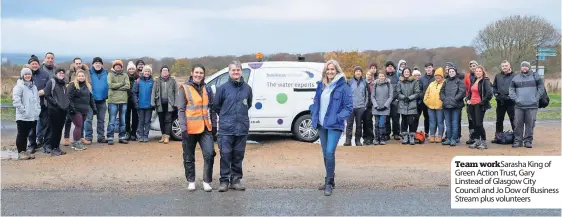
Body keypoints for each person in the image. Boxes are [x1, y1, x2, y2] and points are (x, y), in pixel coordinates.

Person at [311, 59, 353, 196]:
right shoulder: (321, 85)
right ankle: (330, 179)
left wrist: (337, 118)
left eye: (332, 69)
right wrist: (313, 113)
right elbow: (316, 102)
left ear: (337, 71)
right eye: (328, 69)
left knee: (329, 152)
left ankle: (328, 182)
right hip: (322, 124)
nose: (330, 72)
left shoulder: (344, 87)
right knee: (325, 153)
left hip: (334, 125)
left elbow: (349, 108)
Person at [213, 61, 253, 192]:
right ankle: (224, 181)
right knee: (225, 155)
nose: (236, 72)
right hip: (226, 128)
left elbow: (249, 104)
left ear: (241, 71)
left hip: (242, 127)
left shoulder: (247, 88)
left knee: (238, 155)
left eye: (238, 70)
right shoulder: (222, 88)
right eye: (233, 70)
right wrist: (226, 117)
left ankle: (236, 180)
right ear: (229, 72)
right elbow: (216, 106)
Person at [177, 64, 217, 192]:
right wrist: (183, 128)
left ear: (204, 75)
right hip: (189, 128)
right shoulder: (184, 88)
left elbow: (212, 109)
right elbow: (181, 110)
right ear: (192, 73)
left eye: (201, 73)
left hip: (205, 128)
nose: (198, 75)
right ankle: (191, 181)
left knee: (210, 154)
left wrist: (214, 125)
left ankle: (207, 181)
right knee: (189, 156)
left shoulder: (208, 89)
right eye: (196, 72)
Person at [508, 61, 545, 148]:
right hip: (519, 106)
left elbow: (541, 88)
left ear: (529, 67)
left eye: (526, 66)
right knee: (517, 124)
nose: (524, 67)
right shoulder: (516, 78)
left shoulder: (535, 76)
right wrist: (516, 99)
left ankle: (528, 141)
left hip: (532, 105)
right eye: (523, 66)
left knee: (530, 124)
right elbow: (511, 89)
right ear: (521, 67)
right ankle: (518, 141)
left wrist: (536, 98)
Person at [13, 68, 41, 160]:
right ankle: (21, 152)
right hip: (23, 116)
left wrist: (37, 110)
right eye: (25, 74)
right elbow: (16, 101)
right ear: (22, 76)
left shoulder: (34, 87)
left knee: (27, 134)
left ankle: (25, 151)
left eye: (29, 74)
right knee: (22, 134)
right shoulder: (19, 86)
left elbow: (37, 99)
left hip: (32, 115)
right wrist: (23, 111)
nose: (28, 76)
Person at [68, 69, 97, 151]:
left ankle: (76, 142)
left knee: (80, 126)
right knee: (78, 125)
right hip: (75, 109)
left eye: (82, 76)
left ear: (85, 77)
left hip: (85, 109)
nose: (81, 77)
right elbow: (69, 97)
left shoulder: (88, 86)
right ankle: (76, 142)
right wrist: (71, 108)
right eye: (79, 76)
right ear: (76, 77)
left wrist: (94, 108)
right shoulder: (72, 85)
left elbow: (91, 98)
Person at [63, 58, 90, 146]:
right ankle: (66, 138)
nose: (78, 65)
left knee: (80, 122)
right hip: (71, 100)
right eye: (76, 63)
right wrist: (73, 86)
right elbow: (65, 83)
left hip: (82, 100)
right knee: (68, 120)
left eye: (79, 63)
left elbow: (88, 82)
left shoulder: (86, 71)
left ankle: (81, 137)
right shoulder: (69, 72)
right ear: (74, 64)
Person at [43, 68, 70, 156]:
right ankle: (52, 148)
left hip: (63, 110)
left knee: (59, 130)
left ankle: (57, 147)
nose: (61, 74)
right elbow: (46, 94)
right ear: (56, 73)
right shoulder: (52, 81)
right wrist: (55, 102)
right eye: (60, 72)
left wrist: (66, 105)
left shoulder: (63, 84)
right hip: (54, 110)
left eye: (63, 73)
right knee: (53, 130)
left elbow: (65, 96)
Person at [28, 55, 51, 153]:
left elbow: (49, 87)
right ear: (29, 65)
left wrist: (43, 91)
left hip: (43, 103)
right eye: (32, 64)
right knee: (32, 126)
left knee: (44, 125)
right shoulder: (27, 74)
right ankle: (32, 145)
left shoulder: (45, 74)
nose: (34, 65)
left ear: (39, 64)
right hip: (31, 105)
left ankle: (45, 145)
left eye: (36, 64)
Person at [466, 65, 493, 149]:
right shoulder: (474, 80)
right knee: (474, 124)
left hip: (479, 105)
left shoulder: (486, 81)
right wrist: (467, 99)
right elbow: (470, 93)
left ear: (483, 72)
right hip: (472, 105)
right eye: (476, 71)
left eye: (479, 71)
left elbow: (489, 93)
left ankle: (483, 142)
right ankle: (477, 141)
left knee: (479, 124)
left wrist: (482, 102)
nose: (477, 72)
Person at [85, 57, 109, 144]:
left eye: (99, 63)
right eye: (96, 63)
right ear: (93, 64)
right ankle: (88, 137)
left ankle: (101, 137)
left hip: (102, 100)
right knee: (88, 120)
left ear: (102, 64)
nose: (98, 64)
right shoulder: (88, 73)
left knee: (101, 120)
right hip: (90, 100)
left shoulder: (106, 73)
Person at [440, 67, 466, 146]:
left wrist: (454, 99)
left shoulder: (460, 81)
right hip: (446, 105)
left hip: (456, 106)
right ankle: (448, 138)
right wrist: (444, 99)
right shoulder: (446, 81)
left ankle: (454, 139)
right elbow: (441, 91)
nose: (451, 72)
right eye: (450, 71)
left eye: (452, 71)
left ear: (455, 72)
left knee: (454, 122)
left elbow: (462, 92)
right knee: (447, 123)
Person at [107, 59, 130, 145]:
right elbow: (110, 85)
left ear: (121, 67)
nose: (118, 67)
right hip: (112, 101)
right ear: (114, 67)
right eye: (116, 65)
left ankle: (122, 137)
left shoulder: (125, 75)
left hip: (123, 101)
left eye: (119, 66)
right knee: (112, 120)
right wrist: (121, 84)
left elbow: (127, 86)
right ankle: (110, 137)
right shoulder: (110, 74)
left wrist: (116, 87)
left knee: (123, 120)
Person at [492, 60, 516, 143]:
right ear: (501, 67)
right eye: (503, 66)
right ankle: (498, 137)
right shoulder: (498, 76)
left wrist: (512, 96)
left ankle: (517, 138)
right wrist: (495, 94)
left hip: (511, 102)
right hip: (500, 101)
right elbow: (494, 86)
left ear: (509, 66)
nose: (504, 67)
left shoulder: (515, 76)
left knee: (513, 120)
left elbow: (517, 88)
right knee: (499, 120)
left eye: (506, 66)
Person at [152, 65, 177, 144]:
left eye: (166, 70)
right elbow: (153, 91)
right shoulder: (157, 81)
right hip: (160, 103)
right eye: (163, 70)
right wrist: (152, 102)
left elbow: (176, 92)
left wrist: (176, 103)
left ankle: (167, 137)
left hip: (170, 104)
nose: (165, 72)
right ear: (161, 72)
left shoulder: (173, 81)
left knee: (168, 120)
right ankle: (163, 136)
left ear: (168, 72)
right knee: (161, 120)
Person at [344, 66, 367, 146]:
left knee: (359, 125)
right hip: (350, 107)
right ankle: (348, 140)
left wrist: (365, 105)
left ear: (361, 73)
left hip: (360, 107)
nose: (358, 72)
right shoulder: (349, 82)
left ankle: (358, 140)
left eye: (359, 71)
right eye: (356, 71)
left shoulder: (364, 82)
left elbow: (367, 94)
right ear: (354, 73)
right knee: (349, 124)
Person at [396, 68, 421, 145]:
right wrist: (403, 97)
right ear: (403, 73)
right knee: (404, 121)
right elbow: (398, 92)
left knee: (411, 121)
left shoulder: (415, 81)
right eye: (405, 72)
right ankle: (405, 136)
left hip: (411, 103)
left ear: (410, 73)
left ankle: (412, 136)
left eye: (408, 72)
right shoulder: (400, 82)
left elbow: (417, 92)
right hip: (402, 103)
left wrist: (410, 98)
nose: (406, 73)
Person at [133, 65, 155, 143]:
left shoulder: (153, 82)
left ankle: (146, 136)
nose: (147, 73)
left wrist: (153, 104)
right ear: (143, 72)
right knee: (141, 121)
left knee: (147, 122)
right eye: (146, 71)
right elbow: (134, 93)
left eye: (148, 71)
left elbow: (154, 93)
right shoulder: (138, 81)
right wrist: (136, 103)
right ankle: (141, 136)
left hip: (149, 105)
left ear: (150, 72)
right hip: (140, 105)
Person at [371, 72, 393, 145]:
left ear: (385, 77)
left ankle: (382, 138)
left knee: (382, 124)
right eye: (380, 76)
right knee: (376, 123)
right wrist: (376, 105)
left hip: (385, 108)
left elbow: (391, 96)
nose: (381, 77)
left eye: (383, 76)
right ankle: (376, 138)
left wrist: (385, 105)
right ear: (378, 77)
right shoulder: (375, 84)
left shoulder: (389, 85)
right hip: (376, 108)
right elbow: (372, 96)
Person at [423, 68, 444, 143]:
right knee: (432, 122)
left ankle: (440, 136)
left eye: (439, 75)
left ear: (442, 76)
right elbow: (426, 94)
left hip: (440, 107)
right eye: (436, 75)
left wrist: (442, 103)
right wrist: (427, 102)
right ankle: (432, 135)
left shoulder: (444, 83)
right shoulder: (431, 84)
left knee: (440, 122)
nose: (437, 77)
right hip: (430, 107)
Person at [384, 61, 401, 140]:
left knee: (396, 118)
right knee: (386, 118)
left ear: (394, 68)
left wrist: (396, 98)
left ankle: (396, 133)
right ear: (386, 68)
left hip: (395, 100)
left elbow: (399, 89)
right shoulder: (383, 77)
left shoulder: (397, 76)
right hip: (386, 101)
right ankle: (387, 133)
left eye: (391, 66)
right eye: (388, 66)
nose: (390, 67)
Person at [463, 60, 478, 145]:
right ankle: (471, 136)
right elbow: (465, 87)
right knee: (470, 119)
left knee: (477, 120)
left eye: (474, 66)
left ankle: (478, 136)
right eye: (471, 66)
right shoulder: (467, 76)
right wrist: (466, 97)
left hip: (478, 100)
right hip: (469, 100)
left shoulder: (480, 75)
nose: (473, 67)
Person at [362, 64, 377, 145]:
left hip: (371, 105)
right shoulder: (363, 83)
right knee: (364, 121)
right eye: (367, 74)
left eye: (370, 75)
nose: (368, 76)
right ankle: (364, 137)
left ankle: (370, 137)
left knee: (369, 121)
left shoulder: (374, 84)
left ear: (372, 76)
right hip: (363, 105)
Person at [125, 61, 140, 141]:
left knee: (135, 117)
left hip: (135, 100)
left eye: (132, 69)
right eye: (130, 69)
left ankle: (134, 133)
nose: (131, 70)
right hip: (126, 99)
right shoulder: (125, 77)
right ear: (128, 70)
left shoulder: (138, 78)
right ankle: (127, 132)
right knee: (126, 117)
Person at [418, 63, 435, 136]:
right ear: (425, 69)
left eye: (430, 67)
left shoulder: (435, 78)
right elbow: (420, 89)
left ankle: (429, 132)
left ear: (432, 68)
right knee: (424, 116)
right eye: (427, 68)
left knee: (430, 118)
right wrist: (424, 98)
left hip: (433, 101)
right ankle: (425, 132)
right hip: (423, 101)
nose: (428, 69)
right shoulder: (422, 78)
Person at [412, 69, 424, 134]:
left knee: (417, 118)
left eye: (418, 75)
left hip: (419, 103)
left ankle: (414, 132)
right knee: (411, 119)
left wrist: (420, 97)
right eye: (415, 75)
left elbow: (423, 91)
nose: (417, 76)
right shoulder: (411, 82)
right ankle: (409, 132)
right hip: (412, 103)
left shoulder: (421, 83)